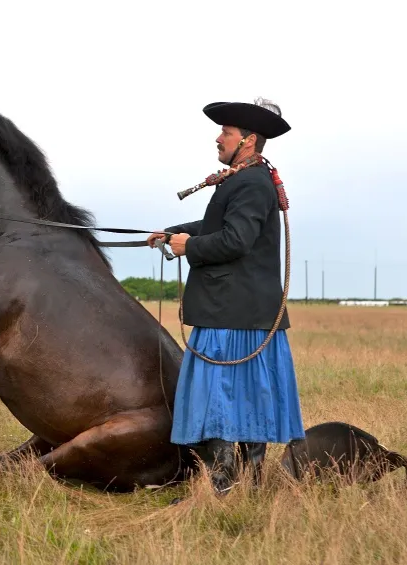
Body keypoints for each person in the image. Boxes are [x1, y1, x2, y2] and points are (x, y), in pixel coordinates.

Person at [147, 98, 305, 496]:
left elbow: (236, 240)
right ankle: (244, 485)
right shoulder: (248, 178)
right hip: (239, 313)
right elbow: (216, 224)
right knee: (247, 400)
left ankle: (224, 485)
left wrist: (189, 248)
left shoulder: (251, 182)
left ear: (248, 141)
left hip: (234, 315)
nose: (218, 139)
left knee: (220, 400)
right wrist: (172, 232)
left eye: (226, 133)